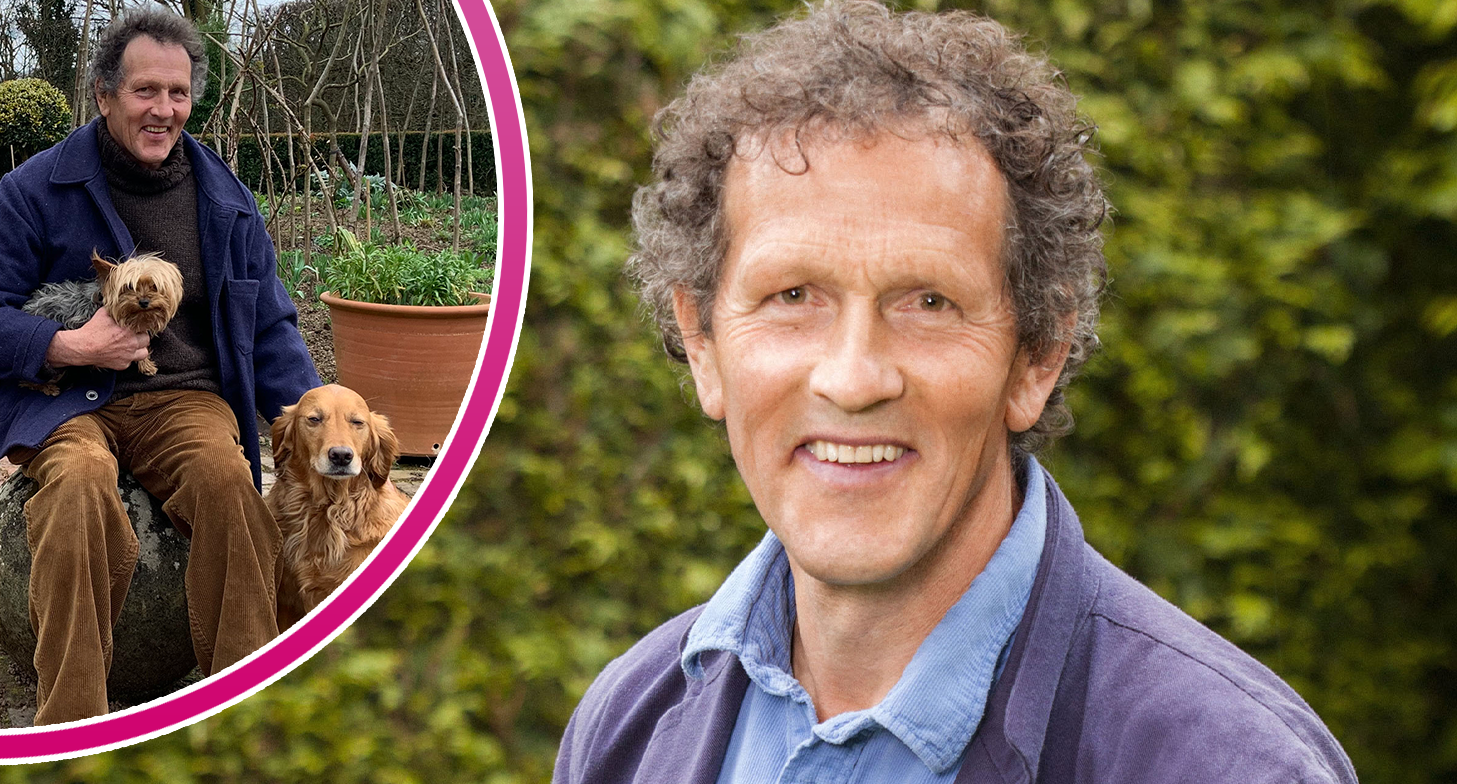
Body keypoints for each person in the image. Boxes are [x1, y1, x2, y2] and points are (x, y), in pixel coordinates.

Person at [554, 2, 1358, 782]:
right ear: (703, 343)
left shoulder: (1225, 763)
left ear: (1036, 355)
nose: (853, 378)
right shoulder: (628, 725)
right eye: (793, 296)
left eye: (929, 303)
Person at [0, 9, 318, 724]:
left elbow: (270, 324)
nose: (164, 110)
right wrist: (67, 346)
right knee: (79, 488)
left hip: (183, 399)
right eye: (145, 91)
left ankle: (248, 714)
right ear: (103, 94)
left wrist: (314, 418)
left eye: (178, 93)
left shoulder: (226, 200)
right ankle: (70, 725)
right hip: (66, 403)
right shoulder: (35, 190)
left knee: (227, 484)